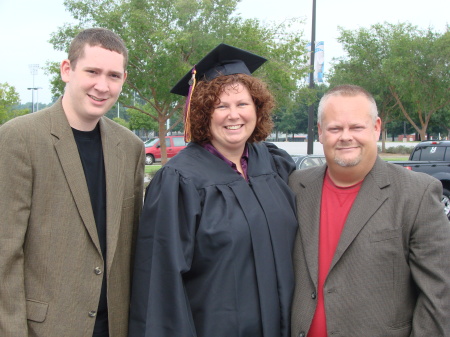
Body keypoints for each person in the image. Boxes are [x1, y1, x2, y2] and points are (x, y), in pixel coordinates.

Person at [128, 43, 298, 337]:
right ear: (203, 112)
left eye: (243, 104)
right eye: (221, 106)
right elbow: (160, 285)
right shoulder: (179, 181)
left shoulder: (274, 163)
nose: (234, 115)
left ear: (257, 108)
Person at [0, 28, 145, 337]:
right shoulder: (19, 139)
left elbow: (131, 247)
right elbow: (5, 252)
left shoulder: (130, 147)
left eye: (114, 76)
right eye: (92, 71)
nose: (102, 86)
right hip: (45, 328)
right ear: (67, 70)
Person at [289, 84, 450, 337]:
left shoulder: (416, 193)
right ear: (320, 132)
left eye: (356, 127)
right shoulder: (296, 186)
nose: (345, 136)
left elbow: (440, 296)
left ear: (376, 127)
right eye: (334, 128)